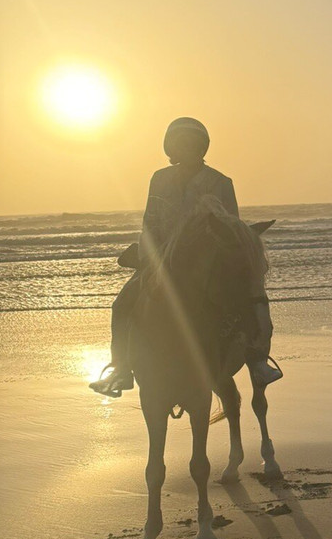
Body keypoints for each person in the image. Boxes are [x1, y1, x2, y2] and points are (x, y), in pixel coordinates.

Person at [89, 117, 282, 397]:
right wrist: (152, 256)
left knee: (248, 303)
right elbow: (150, 222)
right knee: (121, 305)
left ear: (202, 146)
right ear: (172, 147)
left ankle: (257, 361)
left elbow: (232, 228)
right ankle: (121, 370)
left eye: (193, 143)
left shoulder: (220, 182)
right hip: (162, 260)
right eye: (181, 142)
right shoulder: (159, 179)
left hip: (210, 263)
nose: (187, 147)